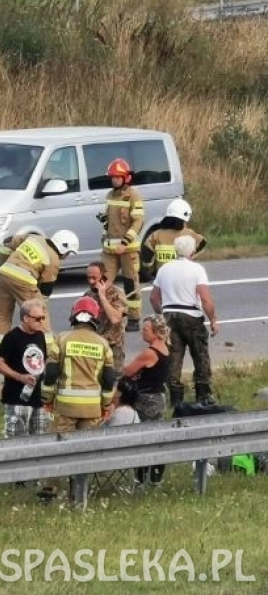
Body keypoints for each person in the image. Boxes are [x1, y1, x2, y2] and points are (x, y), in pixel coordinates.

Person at [39, 296, 115, 501]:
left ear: (74, 316)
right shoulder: (103, 344)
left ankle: (50, 489)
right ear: (95, 318)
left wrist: (46, 398)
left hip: (66, 407)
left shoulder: (62, 340)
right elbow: (109, 380)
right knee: (85, 452)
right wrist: (106, 404)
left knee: (57, 448)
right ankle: (79, 493)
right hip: (92, 409)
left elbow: (51, 374)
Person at [150, 235, 219, 409]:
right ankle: (203, 395)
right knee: (200, 355)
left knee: (173, 358)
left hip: (169, 315)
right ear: (192, 251)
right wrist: (213, 320)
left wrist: (162, 316)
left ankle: (175, 400)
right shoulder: (197, 269)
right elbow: (205, 298)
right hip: (191, 317)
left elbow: (153, 298)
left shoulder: (164, 269)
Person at [0, 229, 79, 351]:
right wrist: (41, 304)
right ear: (64, 249)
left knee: (2, 315)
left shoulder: (35, 238)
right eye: (68, 253)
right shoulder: (53, 260)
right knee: (39, 314)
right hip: (24, 281)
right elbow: (46, 289)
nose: (66, 257)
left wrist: (3, 264)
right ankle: (49, 351)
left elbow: (7, 243)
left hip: (4, 275)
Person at [120, 315, 171, 486]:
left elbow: (128, 371)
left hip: (146, 399)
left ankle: (140, 478)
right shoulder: (165, 349)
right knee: (157, 438)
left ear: (156, 332)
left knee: (141, 438)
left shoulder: (149, 353)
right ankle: (156, 477)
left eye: (146, 329)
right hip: (159, 397)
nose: (143, 332)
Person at [0, 299, 49, 439]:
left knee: (41, 437)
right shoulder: (12, 337)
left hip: (37, 398)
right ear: (25, 318)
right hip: (16, 398)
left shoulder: (40, 336)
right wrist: (19, 377)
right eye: (37, 318)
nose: (41, 321)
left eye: (43, 318)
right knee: (16, 438)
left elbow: (44, 360)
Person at [99, 158, 144, 331]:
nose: (114, 180)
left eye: (117, 177)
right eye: (112, 177)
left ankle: (133, 318)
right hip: (109, 249)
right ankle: (104, 314)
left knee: (130, 282)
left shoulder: (134, 196)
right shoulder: (110, 195)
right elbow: (109, 221)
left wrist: (125, 243)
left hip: (128, 249)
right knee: (103, 283)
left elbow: (137, 222)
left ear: (126, 178)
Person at [140, 199, 207, 281]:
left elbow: (146, 258)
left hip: (162, 277)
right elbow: (202, 243)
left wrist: (153, 272)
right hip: (184, 275)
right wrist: (190, 256)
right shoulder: (188, 233)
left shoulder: (156, 235)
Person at [83, 261, 128, 375]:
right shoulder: (88, 295)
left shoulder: (117, 294)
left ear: (103, 277)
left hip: (113, 347)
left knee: (113, 380)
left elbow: (115, 319)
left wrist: (102, 297)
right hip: (94, 347)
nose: (91, 281)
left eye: (94, 278)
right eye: (88, 278)